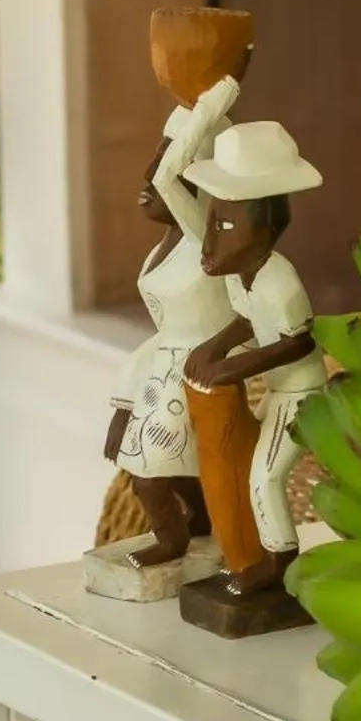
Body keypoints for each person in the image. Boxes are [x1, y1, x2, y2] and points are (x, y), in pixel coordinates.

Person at [183, 121, 326, 598]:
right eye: (211, 222)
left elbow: (298, 344)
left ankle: (281, 564)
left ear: (265, 231)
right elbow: (246, 322)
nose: (209, 243)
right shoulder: (239, 275)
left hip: (301, 393)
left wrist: (231, 368)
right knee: (243, 461)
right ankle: (251, 552)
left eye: (224, 226)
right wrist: (214, 347)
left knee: (265, 475)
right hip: (277, 389)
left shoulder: (281, 281)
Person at [103, 77, 239, 566]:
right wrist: (123, 406)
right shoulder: (167, 248)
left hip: (198, 373)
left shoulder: (203, 236)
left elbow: (169, 176)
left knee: (148, 473)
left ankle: (172, 537)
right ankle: (203, 522)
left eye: (163, 163)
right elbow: (159, 340)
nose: (148, 176)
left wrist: (215, 96)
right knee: (176, 466)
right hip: (165, 372)